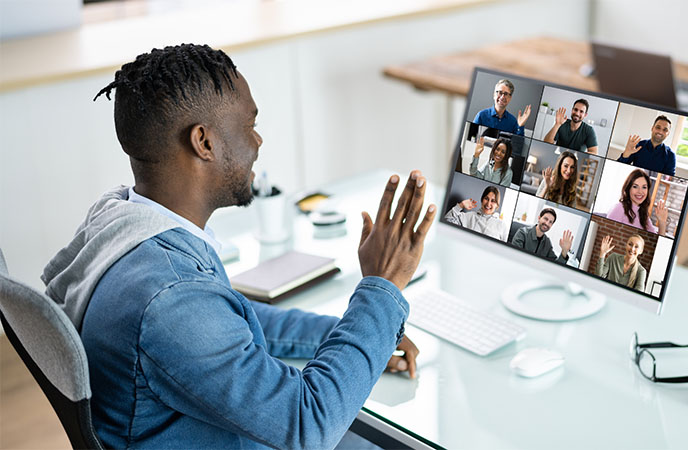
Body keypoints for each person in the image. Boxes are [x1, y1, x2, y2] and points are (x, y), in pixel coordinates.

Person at [40, 44, 434, 449]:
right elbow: (307, 425)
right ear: (204, 142)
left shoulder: (124, 224)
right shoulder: (170, 297)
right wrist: (382, 288)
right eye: (249, 125)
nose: (258, 141)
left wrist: (357, 336)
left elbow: (229, 323)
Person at [606, 169, 668, 236]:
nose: (640, 191)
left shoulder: (643, 214)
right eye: (635, 186)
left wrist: (662, 222)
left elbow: (657, 241)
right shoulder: (619, 208)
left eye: (644, 187)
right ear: (628, 188)